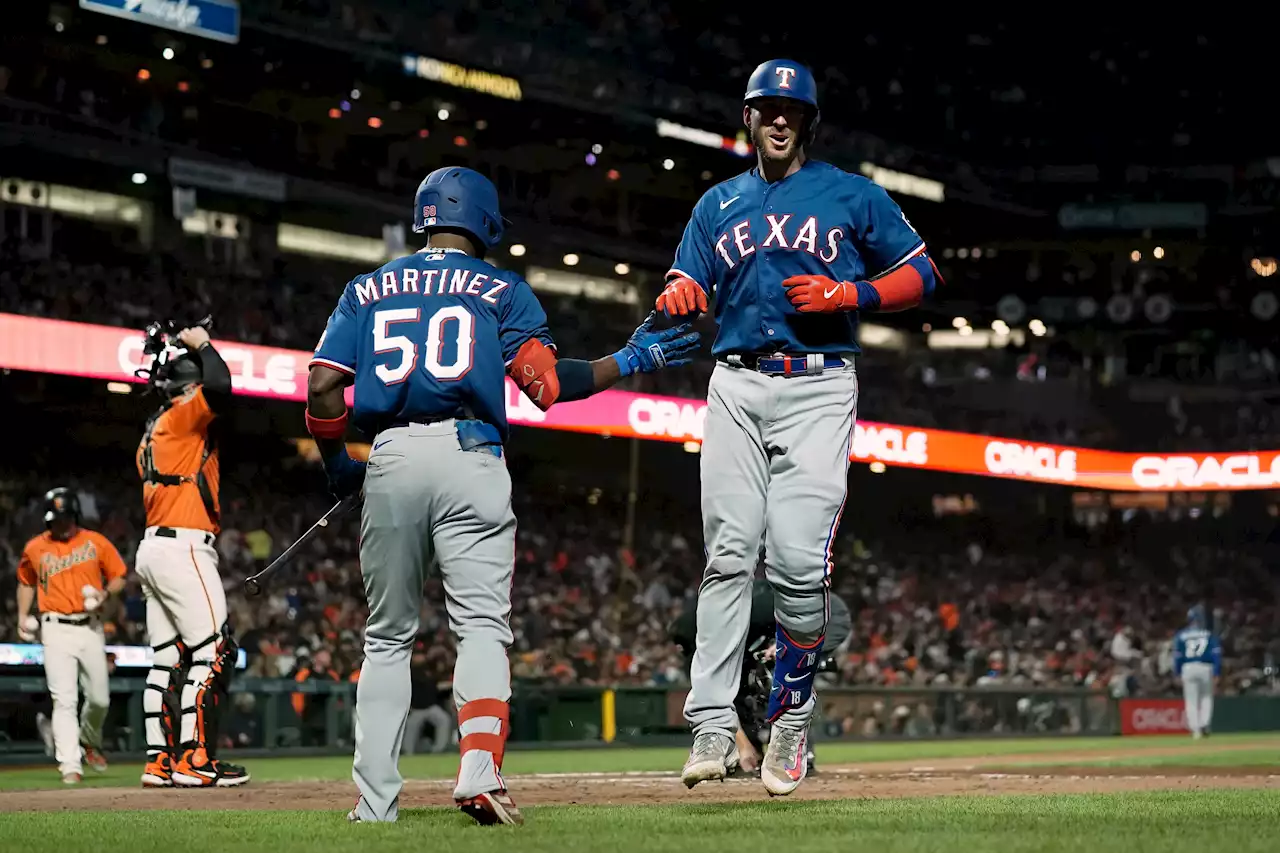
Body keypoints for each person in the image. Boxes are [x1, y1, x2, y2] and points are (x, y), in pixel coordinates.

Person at [306, 166, 700, 826]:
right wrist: (632, 359)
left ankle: (374, 803)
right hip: (471, 454)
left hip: (391, 455)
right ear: (485, 222)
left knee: (386, 638)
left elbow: (321, 387)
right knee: (482, 627)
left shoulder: (368, 286)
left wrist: (337, 464)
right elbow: (548, 386)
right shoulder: (499, 288)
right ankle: (479, 769)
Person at [659, 59, 941, 796]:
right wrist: (682, 287)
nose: (778, 118)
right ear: (747, 118)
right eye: (765, 107)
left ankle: (790, 717)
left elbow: (923, 273)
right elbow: (681, 279)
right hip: (735, 381)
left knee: (794, 563)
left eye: (791, 109)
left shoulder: (852, 192)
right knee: (727, 554)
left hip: (818, 383)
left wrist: (851, 290)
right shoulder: (716, 203)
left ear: (807, 122)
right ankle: (713, 723)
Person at [133, 325, 249, 788]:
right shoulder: (182, 414)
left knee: (166, 658)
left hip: (153, 548)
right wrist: (201, 343)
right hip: (183, 545)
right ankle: (194, 759)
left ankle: (159, 760)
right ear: (187, 385)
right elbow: (221, 386)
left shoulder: (151, 433)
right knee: (214, 648)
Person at [669, 578, 852, 775]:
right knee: (740, 687)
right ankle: (752, 749)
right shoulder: (706, 643)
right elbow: (716, 696)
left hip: (813, 617)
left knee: (782, 674)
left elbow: (832, 613)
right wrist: (744, 746)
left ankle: (794, 747)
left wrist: (789, 646)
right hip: (762, 630)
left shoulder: (758, 608)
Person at [15, 487, 128, 784]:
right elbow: (25, 582)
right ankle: (69, 764)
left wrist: (105, 593)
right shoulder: (35, 547)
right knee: (64, 699)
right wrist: (22, 616)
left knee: (100, 699)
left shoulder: (95, 542)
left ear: (75, 515)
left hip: (90, 626)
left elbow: (118, 576)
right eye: (54, 519)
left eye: (64, 518)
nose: (59, 524)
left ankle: (89, 740)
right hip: (54, 628)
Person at [1174, 604, 1221, 739]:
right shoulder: (1209, 634)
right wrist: (1216, 673)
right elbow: (1216, 655)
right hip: (1206, 667)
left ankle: (1195, 730)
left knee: (1191, 700)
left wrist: (1177, 672)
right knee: (1206, 697)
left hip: (1188, 667)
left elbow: (1177, 656)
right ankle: (1204, 723)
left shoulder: (1181, 635)